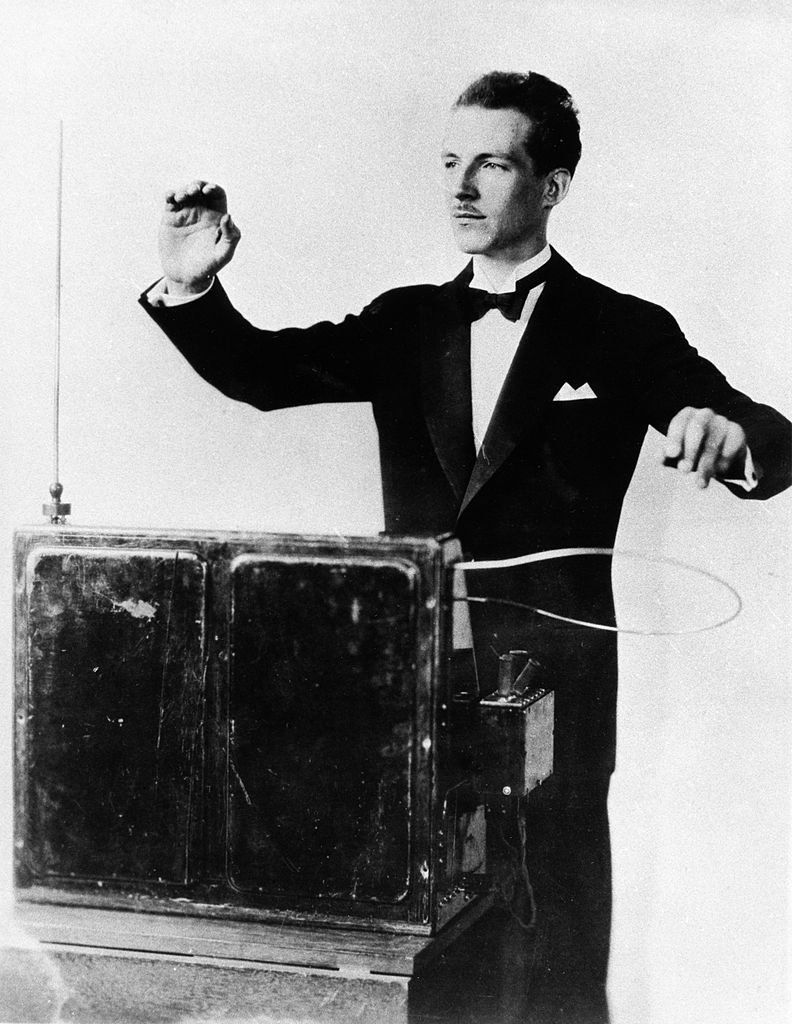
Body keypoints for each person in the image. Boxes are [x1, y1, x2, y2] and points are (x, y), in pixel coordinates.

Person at [140, 72, 791, 1023]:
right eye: (451, 161)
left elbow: (762, 434)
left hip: (556, 696)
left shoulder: (618, 328)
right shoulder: (406, 321)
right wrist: (192, 286)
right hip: (413, 689)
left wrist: (732, 439)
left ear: (552, 185)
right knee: (429, 953)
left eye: (492, 163)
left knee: (558, 952)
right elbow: (265, 375)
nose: (462, 186)